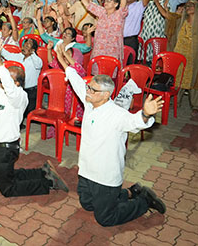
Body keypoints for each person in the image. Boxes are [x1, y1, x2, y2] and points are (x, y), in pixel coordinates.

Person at [64, 63, 166, 226]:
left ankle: (144, 201)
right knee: (87, 204)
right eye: (88, 87)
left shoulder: (116, 115)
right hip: (86, 171)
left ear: (106, 95)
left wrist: (146, 114)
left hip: (105, 176)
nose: (87, 91)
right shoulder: (91, 102)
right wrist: (65, 63)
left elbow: (134, 121)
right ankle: (130, 192)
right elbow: (77, 82)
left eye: (92, 90)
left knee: (105, 218)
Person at [0, 36, 68, 197]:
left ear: (16, 83)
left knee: (8, 189)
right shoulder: (2, 91)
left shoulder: (18, 96)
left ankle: (49, 184)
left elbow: (6, 82)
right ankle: (42, 172)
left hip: (5, 148)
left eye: (7, 78)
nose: (2, 80)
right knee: (2, 174)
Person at [75, 0, 129, 66]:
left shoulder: (119, 14)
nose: (106, 2)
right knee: (96, 71)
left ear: (116, 4)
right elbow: (87, 4)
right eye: (106, 0)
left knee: (110, 72)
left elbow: (123, 6)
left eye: (109, 1)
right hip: (99, 49)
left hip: (112, 51)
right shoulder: (101, 12)